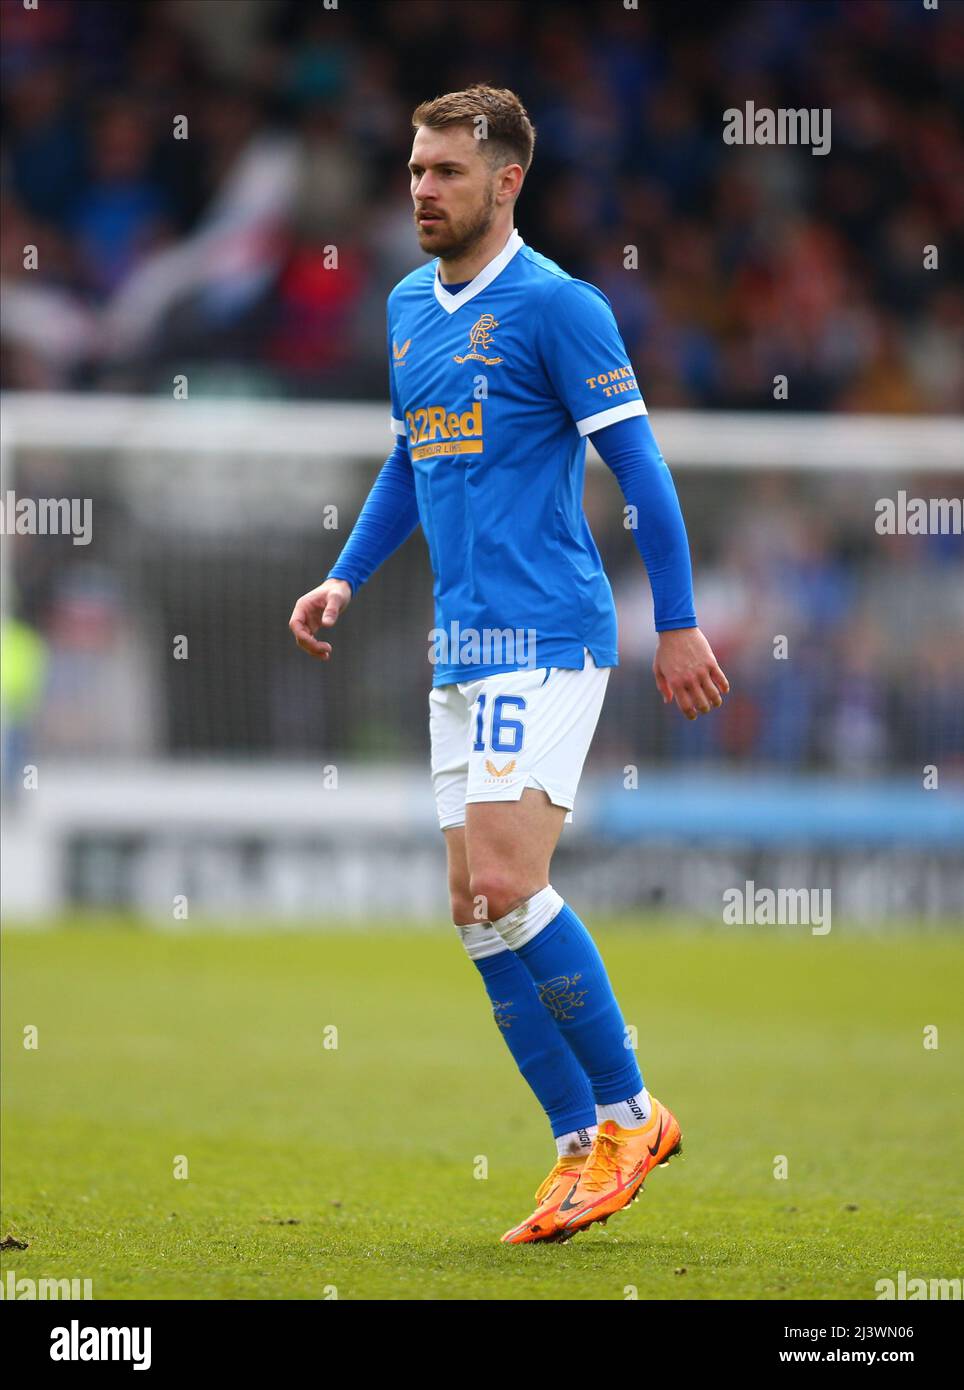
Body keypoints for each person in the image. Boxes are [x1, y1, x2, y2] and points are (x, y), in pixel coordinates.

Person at [289, 85, 729, 1244]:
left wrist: (675, 619)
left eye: (444, 172)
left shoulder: (558, 307)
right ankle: (577, 1143)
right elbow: (408, 458)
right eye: (416, 170)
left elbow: (643, 472)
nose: (422, 189)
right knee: (473, 911)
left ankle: (635, 1114)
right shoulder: (403, 306)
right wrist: (346, 573)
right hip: (462, 645)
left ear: (505, 182)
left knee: (503, 879)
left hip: (547, 636)